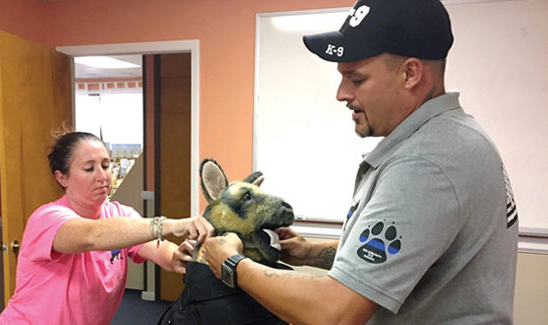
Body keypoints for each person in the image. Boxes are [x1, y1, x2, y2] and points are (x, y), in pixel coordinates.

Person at [203, 0, 519, 324]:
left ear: (410, 73)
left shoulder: (426, 164)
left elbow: (334, 313)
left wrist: (231, 264)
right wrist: (311, 252)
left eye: (356, 79)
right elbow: (406, 252)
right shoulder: (457, 137)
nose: (341, 93)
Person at [0, 131, 214, 324]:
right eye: (89, 168)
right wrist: (169, 224)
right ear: (61, 177)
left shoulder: (121, 215)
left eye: (106, 166)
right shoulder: (46, 219)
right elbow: (92, 235)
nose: (103, 177)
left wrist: (176, 256)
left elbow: (156, 246)